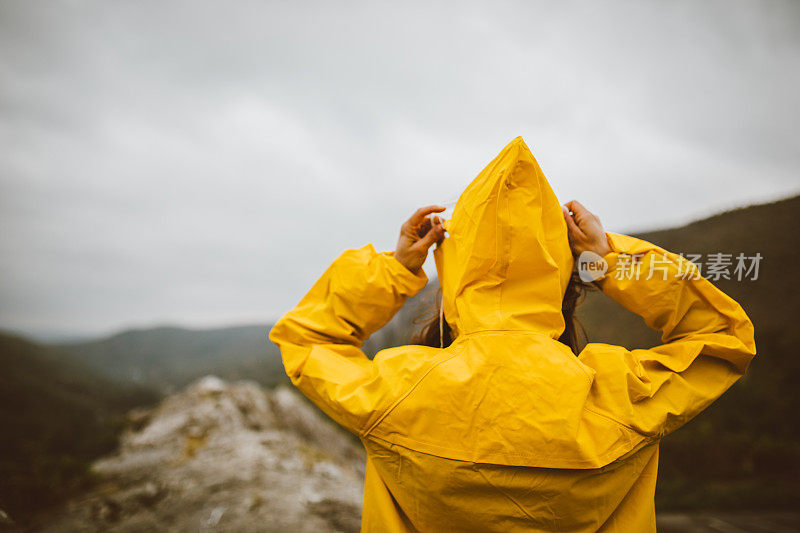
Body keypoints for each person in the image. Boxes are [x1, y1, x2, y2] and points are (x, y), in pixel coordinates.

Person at [268, 137, 756, 532]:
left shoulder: (397, 391)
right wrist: (606, 259)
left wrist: (396, 270)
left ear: (455, 276)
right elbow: (722, 335)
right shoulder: (620, 393)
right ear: (563, 277)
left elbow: (308, 339)